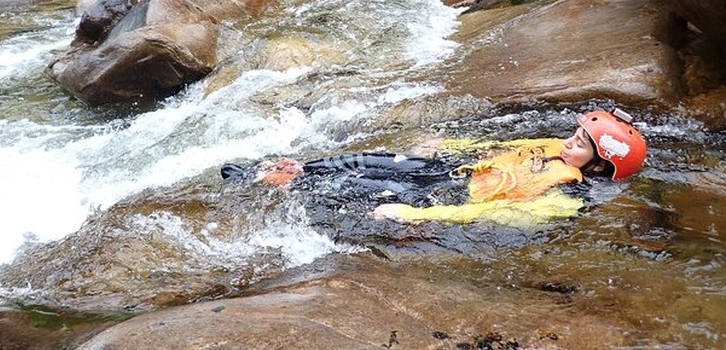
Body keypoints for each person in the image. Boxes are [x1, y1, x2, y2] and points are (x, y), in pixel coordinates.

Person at [221, 109, 647, 226]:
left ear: (599, 168)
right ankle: (301, 168)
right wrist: (450, 146)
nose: (569, 142)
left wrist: (416, 215)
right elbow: (498, 147)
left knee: (355, 185)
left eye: (581, 144)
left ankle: (266, 181)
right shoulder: (555, 147)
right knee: (365, 160)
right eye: (576, 134)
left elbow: (495, 213)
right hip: (451, 170)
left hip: (447, 197)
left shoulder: (568, 196)